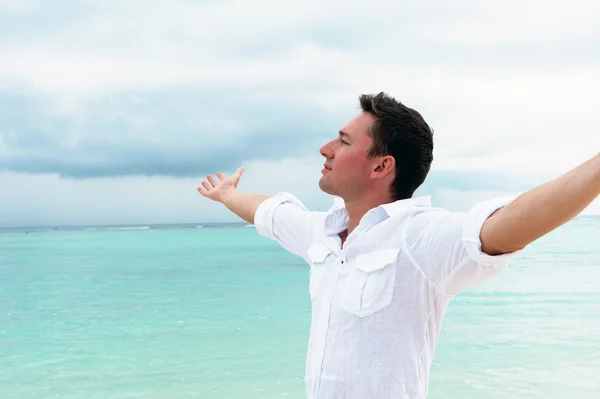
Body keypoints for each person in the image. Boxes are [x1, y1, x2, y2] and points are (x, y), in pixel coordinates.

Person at [197, 92, 600, 399]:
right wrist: (228, 196)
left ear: (380, 165)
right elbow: (270, 211)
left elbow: (506, 227)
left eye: (342, 141)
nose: (325, 148)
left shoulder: (419, 237)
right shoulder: (322, 232)